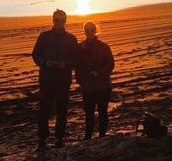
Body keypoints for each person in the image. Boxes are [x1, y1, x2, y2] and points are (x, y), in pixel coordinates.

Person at [31, 9, 78, 151]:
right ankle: (42, 139)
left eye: (62, 20)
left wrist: (66, 64)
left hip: (63, 80)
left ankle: (59, 138)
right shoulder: (44, 36)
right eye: (56, 20)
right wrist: (45, 63)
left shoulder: (71, 38)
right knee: (44, 109)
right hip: (46, 80)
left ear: (65, 21)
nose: (59, 23)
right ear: (53, 20)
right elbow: (35, 54)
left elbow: (76, 59)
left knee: (62, 110)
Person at [75, 21, 114, 140]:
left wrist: (99, 72)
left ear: (96, 30)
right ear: (84, 31)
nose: (89, 32)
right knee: (89, 114)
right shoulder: (80, 47)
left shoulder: (104, 46)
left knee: (103, 112)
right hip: (87, 87)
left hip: (102, 86)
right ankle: (88, 136)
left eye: (92, 29)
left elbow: (110, 64)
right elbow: (77, 66)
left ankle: (102, 135)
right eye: (87, 30)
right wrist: (80, 80)